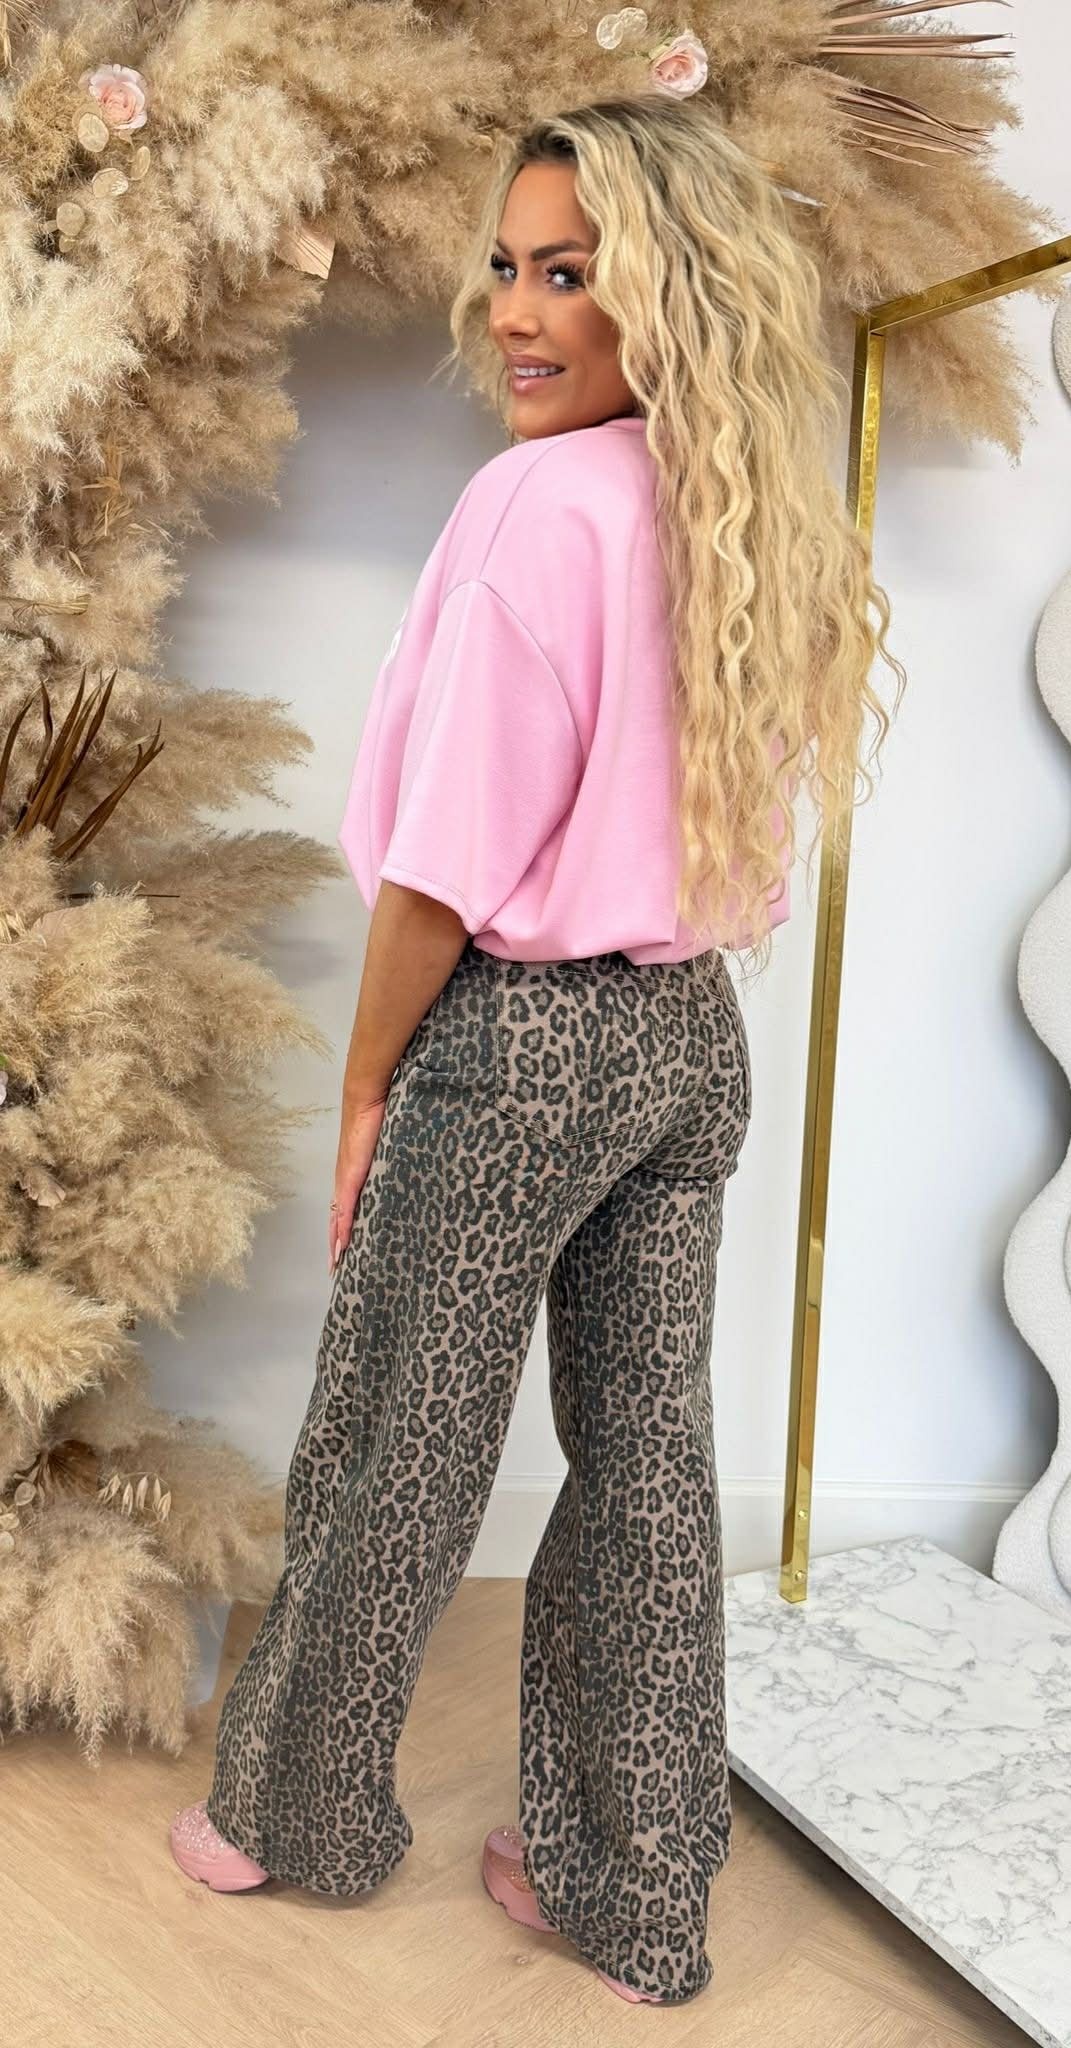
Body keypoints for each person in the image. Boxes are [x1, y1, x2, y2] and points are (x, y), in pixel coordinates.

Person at [167, 95, 903, 2007]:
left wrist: (364, 1088)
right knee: (649, 1472)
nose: (515, 310)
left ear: (668, 292)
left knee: (394, 1441)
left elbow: (444, 866)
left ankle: (294, 1818)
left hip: (520, 1048)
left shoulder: (534, 508)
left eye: (569, 274)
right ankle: (636, 1891)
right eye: (506, 266)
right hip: (687, 1044)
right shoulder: (746, 513)